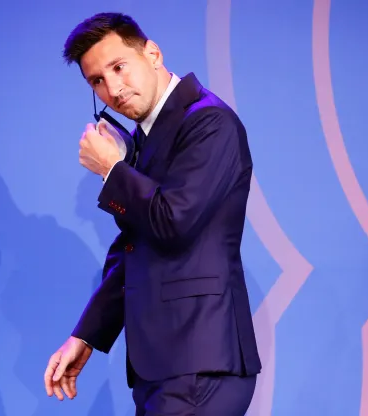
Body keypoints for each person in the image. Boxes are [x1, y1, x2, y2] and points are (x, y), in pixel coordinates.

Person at [43, 12, 261, 415]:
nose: (113, 88)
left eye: (119, 67)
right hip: (167, 365)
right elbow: (135, 248)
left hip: (198, 361)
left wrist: (112, 169)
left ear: (153, 54)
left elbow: (172, 222)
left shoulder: (209, 122)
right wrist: (87, 335)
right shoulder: (149, 137)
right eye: (97, 81)